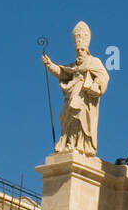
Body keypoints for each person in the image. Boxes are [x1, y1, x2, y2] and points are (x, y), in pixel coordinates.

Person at [42, 21, 109, 155]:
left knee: (80, 119)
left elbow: (103, 76)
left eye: (82, 50)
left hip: (85, 100)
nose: (79, 52)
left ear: (87, 50)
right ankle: (69, 144)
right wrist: (49, 65)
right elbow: (62, 72)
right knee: (68, 119)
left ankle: (81, 145)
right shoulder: (73, 66)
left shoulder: (94, 62)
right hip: (71, 95)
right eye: (77, 50)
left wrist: (95, 86)